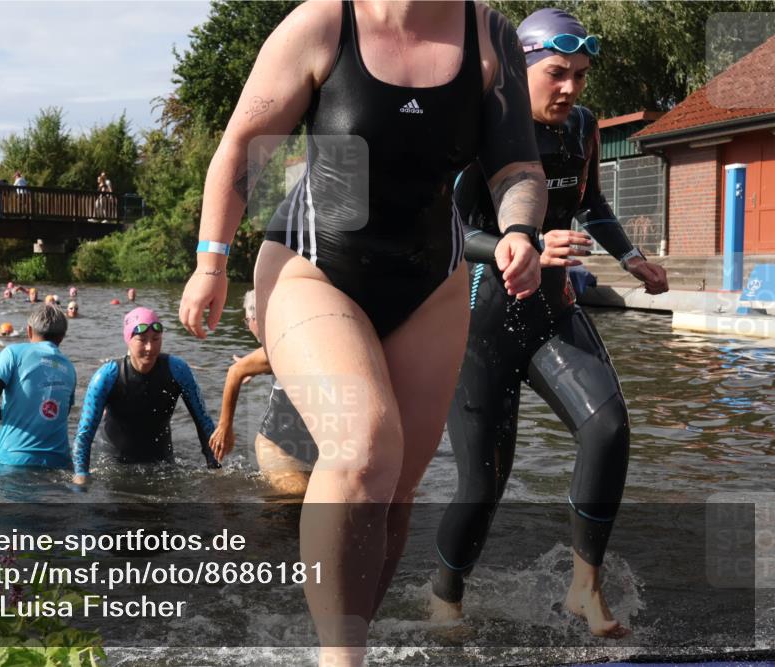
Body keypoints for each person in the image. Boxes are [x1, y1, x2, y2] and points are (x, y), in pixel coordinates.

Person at [177, 1, 547, 661]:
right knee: (363, 446)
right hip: (313, 267)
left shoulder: (491, 36)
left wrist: (520, 228)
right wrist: (212, 261)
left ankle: (349, 640)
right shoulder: (323, 25)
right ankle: (340, 656)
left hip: (432, 283)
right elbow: (243, 144)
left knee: (396, 488)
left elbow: (517, 166)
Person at [431, 8, 669, 640]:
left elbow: (590, 201)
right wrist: (528, 242)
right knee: (483, 486)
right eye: (557, 73)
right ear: (519, 68)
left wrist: (631, 257)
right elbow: (447, 232)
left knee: (608, 428)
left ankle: (583, 588)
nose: (570, 89)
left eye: (580, 76)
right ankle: (445, 599)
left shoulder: (583, 127)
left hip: (552, 310)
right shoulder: (479, 129)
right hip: (479, 323)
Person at [71, 307, 221, 483]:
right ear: (128, 340)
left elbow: (203, 421)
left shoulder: (177, 370)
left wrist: (215, 468)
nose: (150, 347)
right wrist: (81, 474)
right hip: (113, 466)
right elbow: (84, 433)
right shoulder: (107, 376)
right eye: (142, 340)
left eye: (156, 339)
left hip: (162, 463)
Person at [209, 290, 317, 496]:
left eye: (248, 321)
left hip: (310, 444)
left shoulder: (286, 342)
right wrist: (224, 427)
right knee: (299, 496)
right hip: (277, 447)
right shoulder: (278, 347)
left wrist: (258, 368)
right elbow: (235, 372)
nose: (249, 327)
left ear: (258, 318)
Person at [0, 304, 77, 469]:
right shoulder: (69, 367)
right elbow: (59, 413)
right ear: (62, 337)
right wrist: (3, 411)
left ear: (29, 330)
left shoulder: (13, 353)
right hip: (59, 462)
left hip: (14, 461)